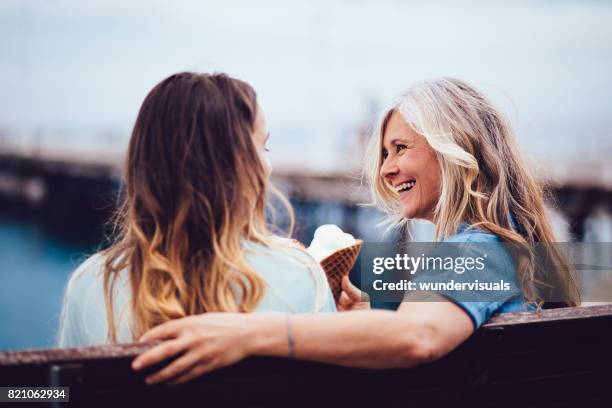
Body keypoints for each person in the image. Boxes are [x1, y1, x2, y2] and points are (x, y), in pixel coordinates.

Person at [132, 78, 580, 385]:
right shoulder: (510, 245)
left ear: (455, 149)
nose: (386, 169)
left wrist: (247, 332)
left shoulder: (480, 250)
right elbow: (419, 328)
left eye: (400, 148)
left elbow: (417, 338)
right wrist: (368, 317)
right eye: (385, 152)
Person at [57, 72, 335, 347]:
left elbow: (61, 393)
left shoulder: (90, 287)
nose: (269, 165)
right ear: (240, 166)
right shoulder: (301, 277)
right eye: (264, 148)